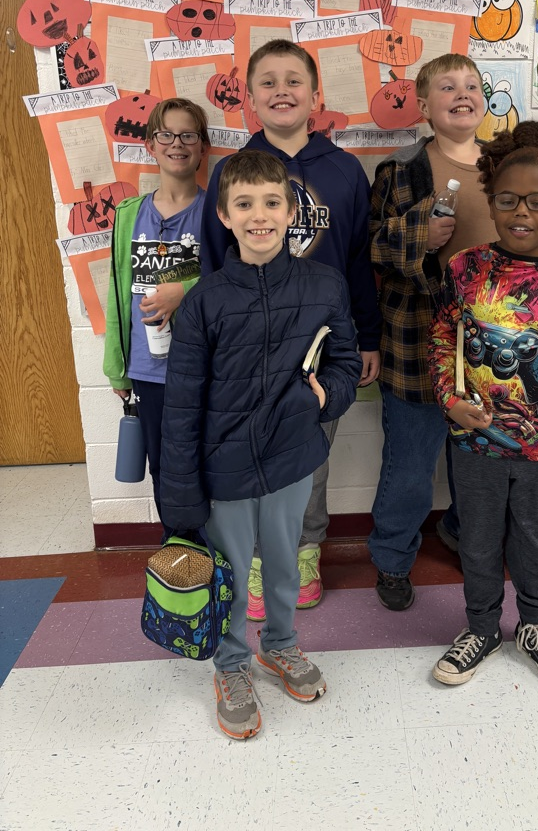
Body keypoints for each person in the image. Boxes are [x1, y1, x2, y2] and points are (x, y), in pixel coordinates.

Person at [159, 149, 362, 740]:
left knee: (281, 567)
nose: (259, 216)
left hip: (293, 458)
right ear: (223, 215)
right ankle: (231, 665)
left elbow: (346, 361)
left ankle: (280, 644)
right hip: (222, 469)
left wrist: (322, 400)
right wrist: (180, 496)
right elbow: (180, 407)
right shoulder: (204, 302)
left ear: (290, 209)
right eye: (244, 204)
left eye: (271, 203)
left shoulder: (325, 285)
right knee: (226, 572)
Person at [201, 39, 380, 618]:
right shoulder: (229, 171)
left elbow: (358, 260)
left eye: (294, 81)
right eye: (268, 82)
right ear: (249, 98)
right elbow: (210, 259)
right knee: (246, 449)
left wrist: (368, 335)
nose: (282, 91)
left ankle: (305, 551)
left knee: (310, 454)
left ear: (315, 93)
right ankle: (254, 557)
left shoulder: (345, 170)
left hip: (319, 346)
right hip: (244, 345)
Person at [428, 122, 538, 691]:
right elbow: (440, 343)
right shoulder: (466, 269)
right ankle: (480, 626)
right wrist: (450, 402)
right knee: (475, 537)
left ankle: (533, 625)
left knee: (534, 538)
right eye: (507, 200)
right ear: (492, 203)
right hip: (473, 443)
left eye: (536, 201)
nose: (520, 212)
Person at [368, 53, 500, 610]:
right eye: (447, 87)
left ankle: (464, 532)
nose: (462, 94)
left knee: (482, 458)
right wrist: (420, 234)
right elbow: (374, 247)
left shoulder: (507, 165)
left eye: (472, 85)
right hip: (417, 340)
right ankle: (393, 558)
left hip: (492, 344)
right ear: (424, 106)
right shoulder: (400, 170)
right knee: (410, 465)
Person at [103, 97, 209, 524]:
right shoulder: (129, 215)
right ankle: (178, 553)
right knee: (165, 468)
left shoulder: (216, 212)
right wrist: (117, 369)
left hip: (205, 365)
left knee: (207, 463)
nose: (177, 144)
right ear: (150, 144)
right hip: (150, 371)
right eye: (166, 134)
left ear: (202, 146)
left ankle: (218, 553)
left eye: (188, 135)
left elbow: (229, 278)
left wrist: (182, 290)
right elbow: (116, 295)